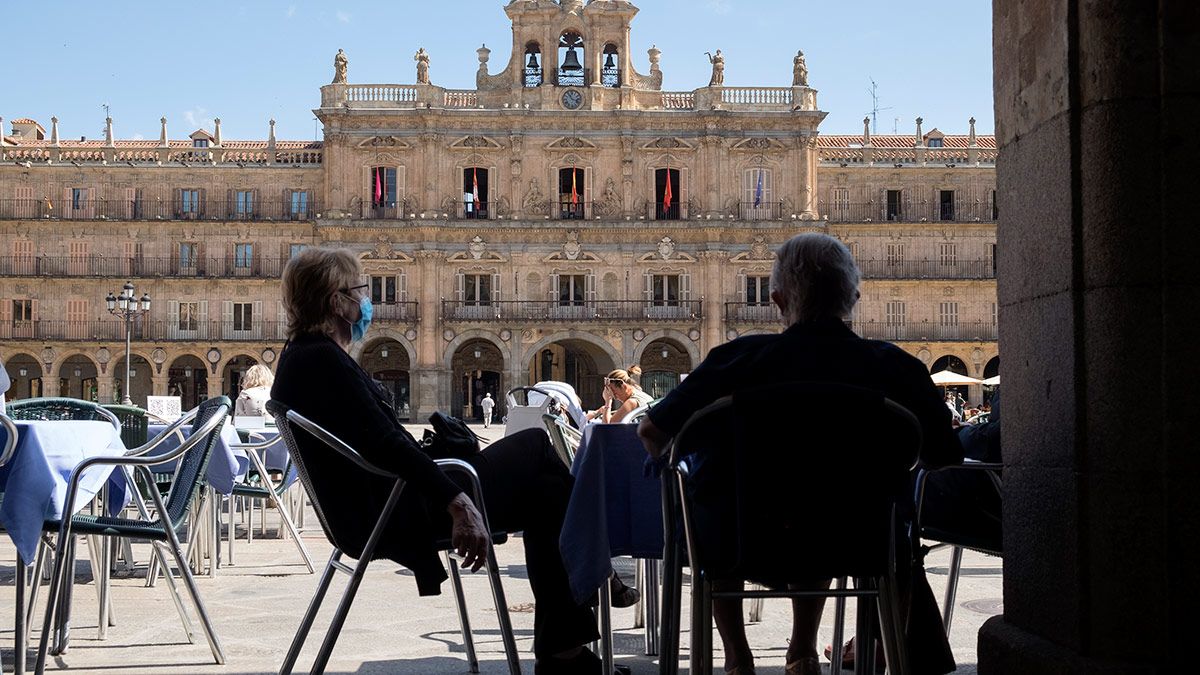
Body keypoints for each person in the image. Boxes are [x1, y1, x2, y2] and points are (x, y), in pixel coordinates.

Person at [638, 233, 962, 675]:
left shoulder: (733, 361)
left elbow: (652, 430)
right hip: (857, 541)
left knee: (711, 495)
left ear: (776, 299)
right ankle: (804, 651)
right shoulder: (897, 368)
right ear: (854, 298)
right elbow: (945, 455)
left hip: (737, 539)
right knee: (839, 509)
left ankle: (737, 655)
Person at [271, 248, 601, 674]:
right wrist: (457, 502)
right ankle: (576, 624)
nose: (367, 302)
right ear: (337, 302)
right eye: (361, 291)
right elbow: (386, 443)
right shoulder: (320, 359)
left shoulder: (306, 355)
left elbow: (378, 441)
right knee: (537, 453)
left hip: (384, 503)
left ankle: (570, 641)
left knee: (546, 492)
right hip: (395, 511)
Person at [586, 366, 653, 424]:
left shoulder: (632, 402)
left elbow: (608, 427)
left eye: (613, 391)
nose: (613, 396)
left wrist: (608, 402)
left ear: (623, 386)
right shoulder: (641, 394)